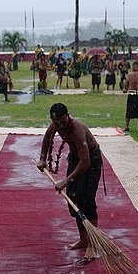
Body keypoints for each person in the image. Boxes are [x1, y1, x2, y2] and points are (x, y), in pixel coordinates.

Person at [36, 103, 102, 264]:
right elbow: (46, 139)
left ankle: (93, 245)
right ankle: (83, 239)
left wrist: (65, 181)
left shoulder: (77, 129)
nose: (59, 125)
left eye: (62, 121)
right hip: (75, 158)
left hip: (91, 161)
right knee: (74, 200)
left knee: (87, 201)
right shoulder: (56, 124)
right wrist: (43, 158)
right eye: (56, 122)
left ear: (68, 116)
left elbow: (85, 162)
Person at [124, 61, 138, 132]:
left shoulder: (130, 75)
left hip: (131, 94)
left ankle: (127, 126)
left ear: (133, 67)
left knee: (129, 111)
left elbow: (126, 85)